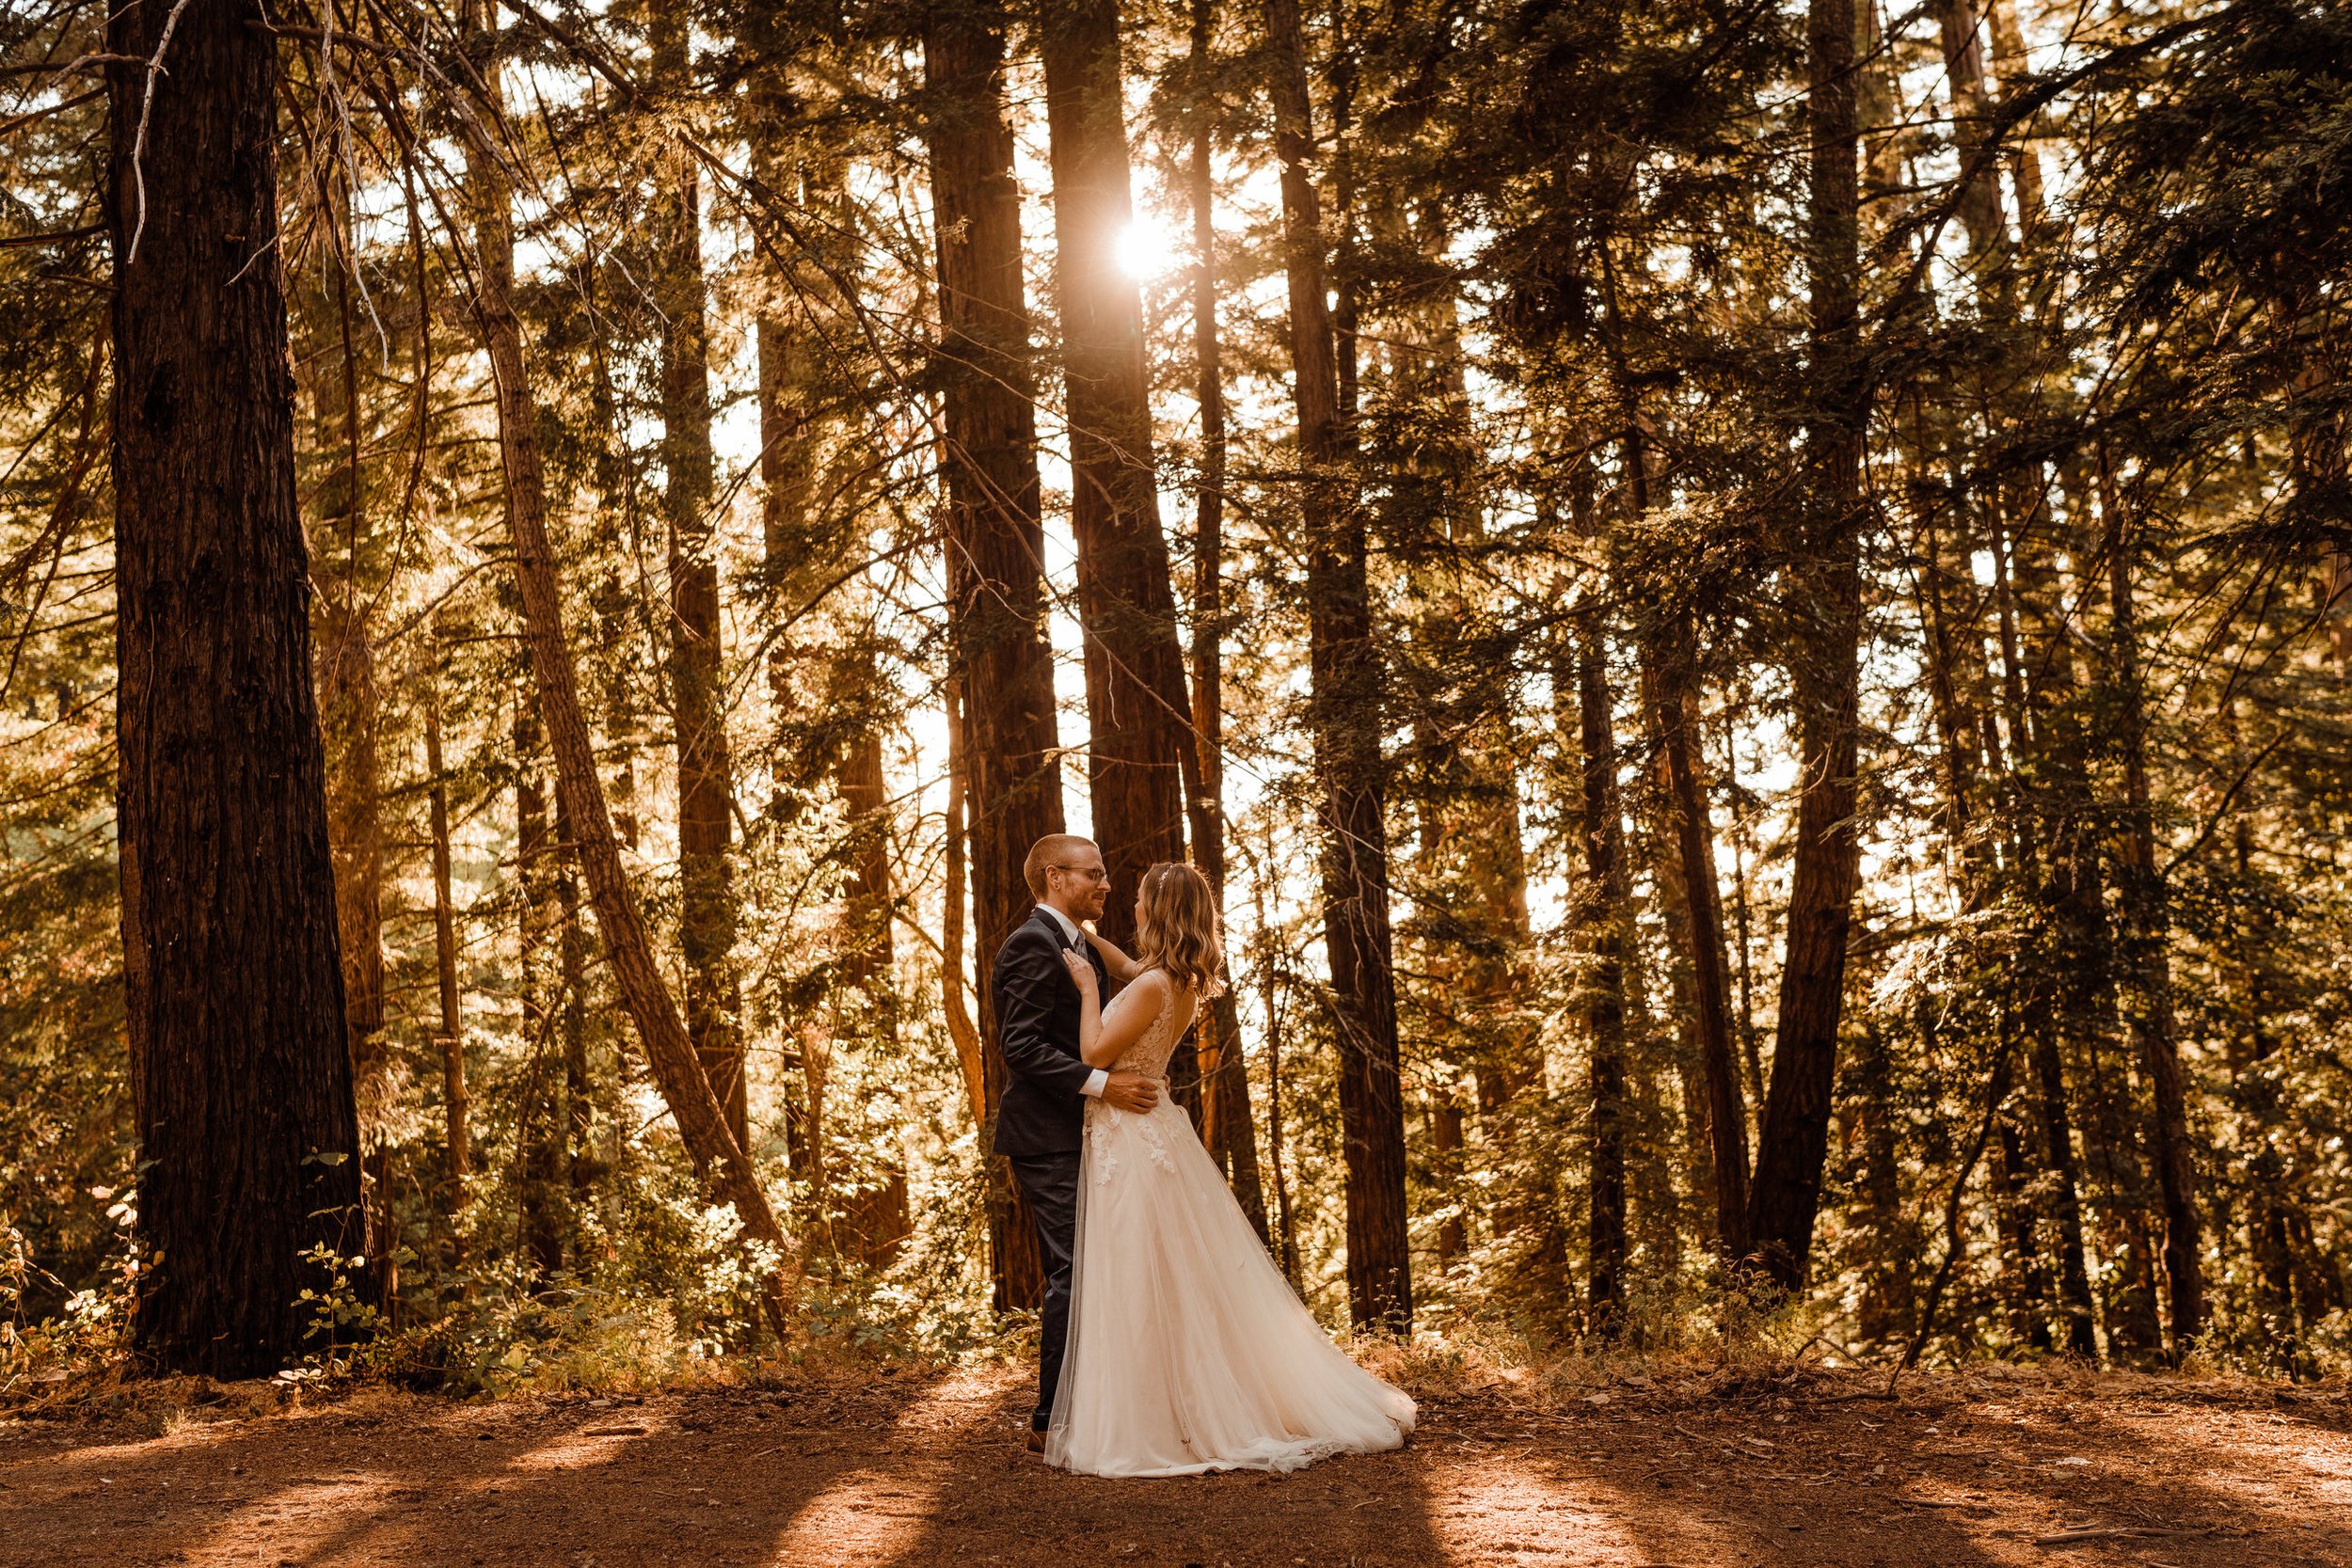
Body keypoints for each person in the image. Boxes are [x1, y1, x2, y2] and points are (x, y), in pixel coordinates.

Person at [1044, 860, 1416, 1477]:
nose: (1131, 906)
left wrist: (1086, 987)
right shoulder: (1176, 981)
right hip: (1153, 1128)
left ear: (1157, 911)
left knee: (1138, 1268)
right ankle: (1179, 1398)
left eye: (1139, 899)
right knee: (1171, 1272)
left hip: (1132, 1138)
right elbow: (1126, 966)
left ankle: (1159, 1416)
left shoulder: (1149, 987)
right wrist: (1080, 939)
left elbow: (1092, 1052)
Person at [987, 834, 1162, 1452]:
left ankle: (1089, 1405)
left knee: (1096, 1265)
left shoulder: (1074, 939)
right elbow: (1022, 1047)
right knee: (1075, 1267)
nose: (1106, 883)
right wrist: (1103, 1085)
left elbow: (1128, 970)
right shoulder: (1030, 945)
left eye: (1106, 871)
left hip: (1082, 1132)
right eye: (1094, 873)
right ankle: (1049, 1419)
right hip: (1046, 1136)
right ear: (1056, 877)